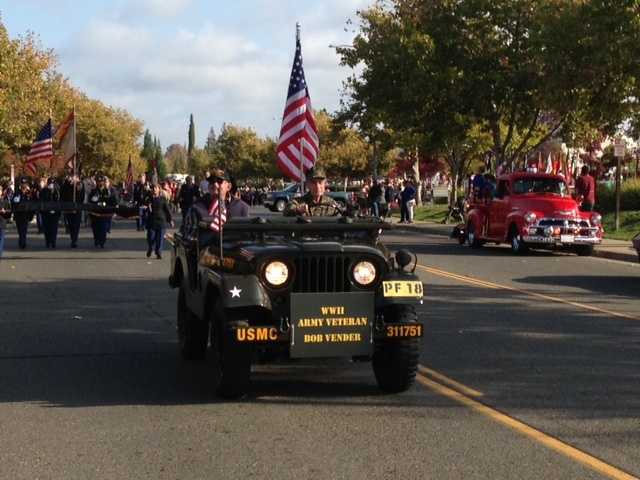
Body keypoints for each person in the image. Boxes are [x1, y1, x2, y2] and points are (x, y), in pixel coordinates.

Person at [144, 183, 174, 259]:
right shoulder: (148, 199)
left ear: (159, 189)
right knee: (151, 237)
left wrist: (170, 220)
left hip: (161, 221)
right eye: (153, 188)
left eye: (156, 188)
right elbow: (143, 205)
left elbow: (167, 210)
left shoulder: (162, 199)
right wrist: (147, 206)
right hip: (151, 221)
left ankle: (158, 252)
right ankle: (150, 248)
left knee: (160, 238)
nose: (154, 189)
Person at [88, 174, 118, 248]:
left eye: (101, 182)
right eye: (99, 182)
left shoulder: (109, 191)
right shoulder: (94, 191)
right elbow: (90, 201)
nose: (100, 183)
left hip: (105, 214)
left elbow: (114, 201)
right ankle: (96, 240)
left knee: (103, 229)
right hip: (95, 214)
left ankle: (102, 241)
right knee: (95, 229)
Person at [60, 174, 85, 248]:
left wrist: (76, 185)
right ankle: (72, 238)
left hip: (77, 208)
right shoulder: (65, 185)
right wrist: (68, 184)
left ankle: (74, 240)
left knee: (76, 225)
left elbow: (81, 196)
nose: (73, 179)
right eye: (72, 177)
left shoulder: (80, 184)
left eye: (75, 177)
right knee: (71, 225)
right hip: (68, 209)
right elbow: (62, 195)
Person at [12, 178, 35, 249]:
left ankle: (23, 243)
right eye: (22, 183)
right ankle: (21, 241)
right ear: (20, 184)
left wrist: (32, 214)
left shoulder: (29, 193)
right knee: (20, 230)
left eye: (25, 184)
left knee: (24, 230)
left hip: (26, 215)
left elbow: (32, 204)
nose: (24, 185)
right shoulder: (17, 193)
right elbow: (14, 203)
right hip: (19, 215)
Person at [39, 177, 61, 248]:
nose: (51, 185)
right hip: (46, 213)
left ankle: (53, 241)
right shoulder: (43, 191)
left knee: (54, 228)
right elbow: (41, 201)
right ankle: (48, 242)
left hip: (55, 213)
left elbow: (59, 202)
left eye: (52, 183)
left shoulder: (57, 191)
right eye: (50, 184)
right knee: (47, 229)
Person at [0, 183, 9, 259]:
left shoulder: (5, 201)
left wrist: (5, 211)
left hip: (2, 222)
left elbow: (9, 212)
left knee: (1, 239)